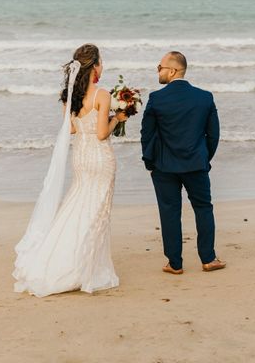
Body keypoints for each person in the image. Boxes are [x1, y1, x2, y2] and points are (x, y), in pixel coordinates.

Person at [13, 43, 128, 297]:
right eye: (101, 61)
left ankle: (60, 258)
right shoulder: (102, 95)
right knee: (96, 213)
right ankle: (85, 267)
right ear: (95, 65)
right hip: (100, 159)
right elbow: (101, 134)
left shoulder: (69, 96)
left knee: (77, 207)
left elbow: (73, 129)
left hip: (80, 159)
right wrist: (117, 119)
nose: (103, 65)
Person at [140, 51, 225, 274]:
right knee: (203, 208)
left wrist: (150, 163)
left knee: (169, 212)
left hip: (164, 166)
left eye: (160, 67)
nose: (157, 71)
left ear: (173, 70)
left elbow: (147, 135)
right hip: (196, 164)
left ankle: (175, 263)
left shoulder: (156, 98)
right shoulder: (204, 97)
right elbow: (213, 135)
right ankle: (208, 259)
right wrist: (204, 158)